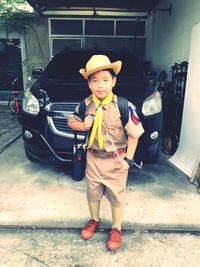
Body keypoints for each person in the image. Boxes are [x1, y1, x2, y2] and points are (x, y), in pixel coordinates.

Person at [68, 54, 144, 251]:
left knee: (116, 196)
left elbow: (134, 134)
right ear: (89, 84)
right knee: (92, 193)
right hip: (93, 158)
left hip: (116, 160)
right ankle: (94, 219)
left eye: (105, 80)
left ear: (113, 82)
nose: (100, 85)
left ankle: (116, 228)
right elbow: (71, 121)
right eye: (95, 80)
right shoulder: (85, 104)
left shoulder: (124, 106)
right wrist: (83, 125)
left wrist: (129, 159)